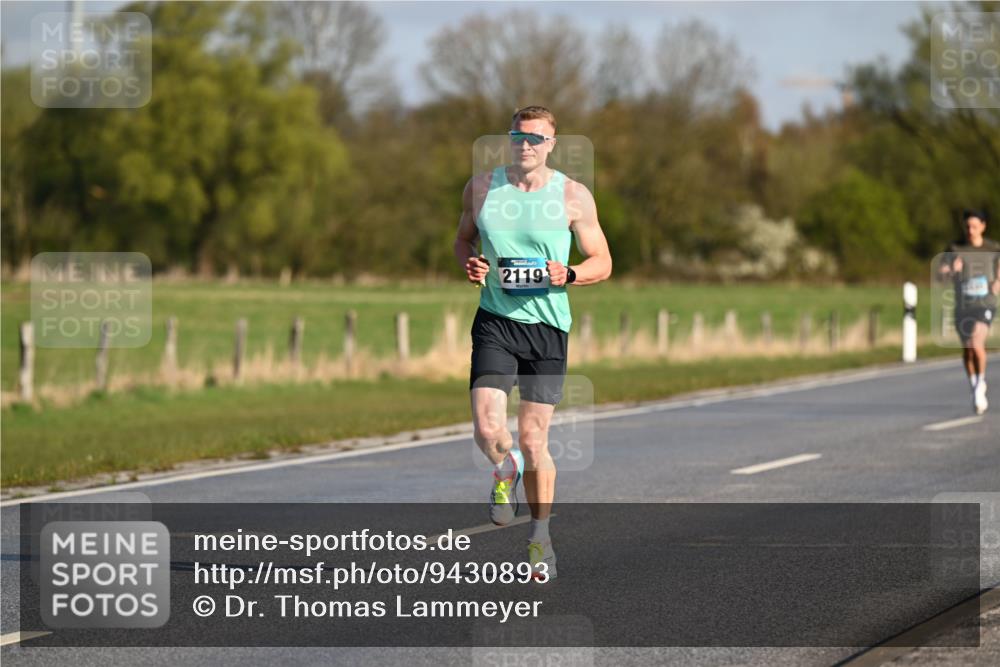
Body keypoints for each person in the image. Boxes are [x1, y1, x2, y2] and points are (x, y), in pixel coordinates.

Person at [453, 106, 612, 579]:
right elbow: (463, 241)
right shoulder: (481, 188)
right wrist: (471, 263)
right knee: (486, 428)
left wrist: (572, 274)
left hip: (547, 329)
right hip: (496, 321)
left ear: (551, 145)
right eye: (518, 137)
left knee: (533, 437)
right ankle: (505, 469)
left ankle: (541, 539)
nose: (526, 146)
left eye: (536, 139)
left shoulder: (572, 196)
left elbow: (602, 259)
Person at [939, 210, 1000, 414]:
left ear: (983, 226)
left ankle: (980, 385)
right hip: (963, 305)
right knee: (967, 350)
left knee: (976, 343)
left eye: (974, 226)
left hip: (985, 304)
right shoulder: (955, 248)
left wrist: (998, 281)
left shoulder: (992, 248)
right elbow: (941, 276)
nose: (970, 230)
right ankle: (974, 383)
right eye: (967, 226)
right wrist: (951, 270)